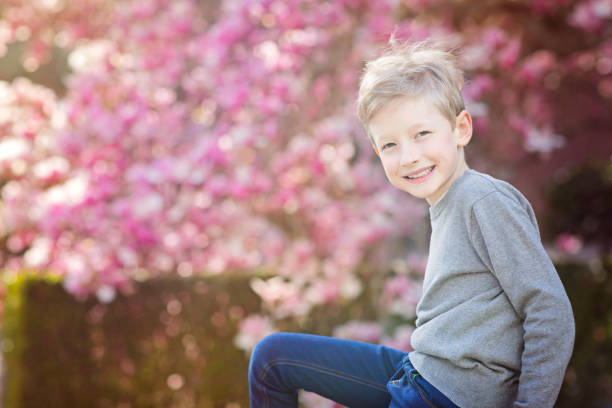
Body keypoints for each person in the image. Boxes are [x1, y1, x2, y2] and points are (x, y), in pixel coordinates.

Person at [248, 38, 575, 408]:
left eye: (422, 134)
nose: (409, 157)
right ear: (376, 152)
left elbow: (550, 311)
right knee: (272, 360)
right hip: (419, 372)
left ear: (461, 129)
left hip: (442, 395)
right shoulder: (449, 201)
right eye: (390, 145)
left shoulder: (481, 199)